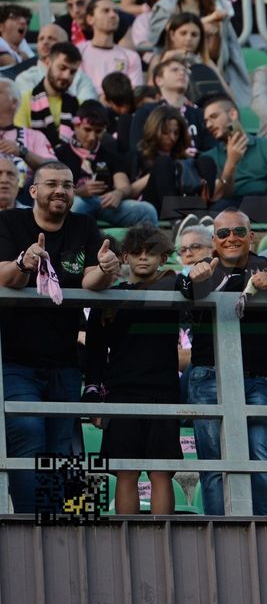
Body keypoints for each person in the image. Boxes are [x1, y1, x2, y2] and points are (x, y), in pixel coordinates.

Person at [0, 161, 121, 513]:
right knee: (28, 436)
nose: (60, 191)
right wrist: (24, 261)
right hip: (15, 360)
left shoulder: (85, 225)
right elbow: (6, 276)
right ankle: (30, 525)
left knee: (65, 447)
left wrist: (106, 270)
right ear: (33, 191)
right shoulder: (8, 222)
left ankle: (67, 528)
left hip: (65, 360)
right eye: (51, 184)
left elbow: (90, 281)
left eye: (67, 185)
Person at [184, 208, 267, 515]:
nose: (231, 238)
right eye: (223, 233)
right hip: (208, 377)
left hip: (257, 377)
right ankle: (218, 531)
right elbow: (184, 293)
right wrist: (195, 278)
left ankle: (265, 529)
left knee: (259, 454)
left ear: (251, 236)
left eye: (238, 232)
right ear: (214, 241)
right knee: (213, 460)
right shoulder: (204, 268)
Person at [82, 224, 184, 515]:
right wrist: (93, 391)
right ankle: (126, 542)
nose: (143, 258)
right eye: (136, 252)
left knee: (160, 472)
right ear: (124, 257)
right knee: (126, 471)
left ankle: (163, 541)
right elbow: (95, 350)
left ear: (163, 258)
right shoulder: (108, 298)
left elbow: (196, 292)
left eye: (151, 253)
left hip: (164, 392)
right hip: (121, 392)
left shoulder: (174, 290)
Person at [150, 0, 251, 105]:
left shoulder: (217, 5)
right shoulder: (167, 6)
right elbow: (161, 34)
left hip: (204, 66)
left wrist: (215, 32)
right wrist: (208, 20)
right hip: (171, 64)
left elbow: (215, 55)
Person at [54, 101, 159, 227]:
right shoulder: (59, 154)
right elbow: (52, 189)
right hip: (74, 201)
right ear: (76, 125)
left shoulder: (110, 155)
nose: (92, 137)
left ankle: (148, 247)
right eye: (87, 130)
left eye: (98, 131)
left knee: (147, 210)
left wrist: (118, 193)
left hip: (106, 203)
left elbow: (124, 186)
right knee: (76, 205)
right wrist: (78, 192)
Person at [200, 93, 267, 216]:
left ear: (232, 114)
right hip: (234, 205)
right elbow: (216, 197)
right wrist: (231, 162)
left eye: (214, 117)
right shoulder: (209, 157)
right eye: (206, 121)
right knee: (218, 209)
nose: (209, 125)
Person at [127, 104, 217, 216]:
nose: (172, 138)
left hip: (184, 201)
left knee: (206, 161)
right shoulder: (139, 155)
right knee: (164, 162)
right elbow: (129, 192)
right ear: (154, 130)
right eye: (165, 132)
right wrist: (159, 172)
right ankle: (175, 218)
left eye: (176, 133)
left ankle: (204, 211)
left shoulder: (183, 156)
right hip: (154, 205)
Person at [148, 13, 229, 104]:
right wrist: (166, 61)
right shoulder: (158, 59)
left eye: (194, 35)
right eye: (183, 33)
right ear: (172, 35)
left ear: (200, 38)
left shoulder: (206, 62)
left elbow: (228, 95)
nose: (188, 38)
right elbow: (150, 94)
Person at [13, 40, 82, 148]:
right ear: (48, 62)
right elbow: (20, 143)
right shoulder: (25, 100)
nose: (66, 76)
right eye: (62, 68)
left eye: (72, 72)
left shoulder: (77, 103)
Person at [76, 0, 144, 95]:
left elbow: (135, 93)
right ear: (90, 19)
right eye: (106, 11)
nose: (113, 15)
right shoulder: (78, 52)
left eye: (115, 11)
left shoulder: (131, 57)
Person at [0, 77, 54, 200]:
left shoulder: (35, 137)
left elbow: (55, 168)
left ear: (13, 102)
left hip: (23, 201)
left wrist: (23, 152)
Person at [15, 24, 97, 103]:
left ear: (66, 44)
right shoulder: (25, 78)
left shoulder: (81, 79)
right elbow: (30, 107)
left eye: (51, 38)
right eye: (41, 39)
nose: (45, 42)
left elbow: (88, 109)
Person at [55, 0, 134, 47]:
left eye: (80, 3)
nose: (75, 10)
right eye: (70, 5)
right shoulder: (62, 25)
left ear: (97, 1)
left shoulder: (116, 19)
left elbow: (125, 60)